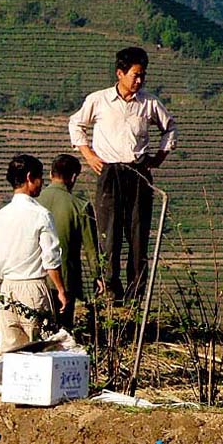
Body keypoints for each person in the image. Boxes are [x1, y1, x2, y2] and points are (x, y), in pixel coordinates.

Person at [68, 46, 178, 303]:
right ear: (120, 73)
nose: (139, 81)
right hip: (110, 172)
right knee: (109, 232)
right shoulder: (99, 100)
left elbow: (170, 127)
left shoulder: (149, 102)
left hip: (138, 172)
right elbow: (76, 123)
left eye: (143, 75)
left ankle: (137, 292)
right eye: (135, 75)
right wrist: (89, 154)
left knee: (138, 233)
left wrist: (160, 157)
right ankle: (110, 290)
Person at [0, 154, 67, 358]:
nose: (41, 185)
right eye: (40, 179)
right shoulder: (41, 214)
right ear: (30, 177)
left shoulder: (1, 215)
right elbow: (51, 259)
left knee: (9, 354)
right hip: (33, 288)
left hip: (7, 289)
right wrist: (60, 290)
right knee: (39, 351)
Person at [37, 154, 102, 330]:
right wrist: (98, 275)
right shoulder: (79, 206)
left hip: (33, 277)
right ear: (74, 177)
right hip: (64, 279)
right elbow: (91, 248)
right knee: (62, 333)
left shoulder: (33, 201)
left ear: (51, 173)